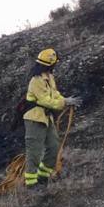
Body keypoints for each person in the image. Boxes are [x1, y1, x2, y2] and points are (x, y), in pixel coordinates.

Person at [23, 48, 81, 188]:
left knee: (54, 146)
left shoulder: (49, 77)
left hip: (46, 117)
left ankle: (43, 177)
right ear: (49, 64)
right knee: (34, 151)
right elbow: (45, 100)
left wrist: (66, 99)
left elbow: (55, 95)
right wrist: (64, 102)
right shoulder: (36, 81)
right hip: (34, 119)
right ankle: (31, 184)